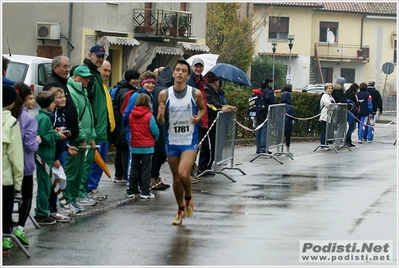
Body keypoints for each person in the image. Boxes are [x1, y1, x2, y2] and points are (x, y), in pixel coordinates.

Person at [157, 59, 206, 225]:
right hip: (172, 141)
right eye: (177, 70)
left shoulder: (194, 93)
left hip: (189, 141)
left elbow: (202, 108)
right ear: (173, 73)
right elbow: (161, 122)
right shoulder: (164, 94)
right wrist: (161, 115)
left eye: (183, 71)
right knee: (176, 179)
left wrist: (197, 117)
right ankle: (180, 210)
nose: (179, 73)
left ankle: (189, 198)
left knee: (184, 174)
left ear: (187, 75)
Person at [10, 83, 41, 245]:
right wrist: (37, 141)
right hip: (25, 166)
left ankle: (7, 228)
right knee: (27, 196)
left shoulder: (8, 116)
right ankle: (20, 228)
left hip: (8, 167)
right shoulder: (29, 119)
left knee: (8, 198)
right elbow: (30, 145)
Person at [63, 66, 97, 211]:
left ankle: (74, 198)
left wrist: (92, 136)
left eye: (88, 77)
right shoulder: (71, 92)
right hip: (77, 140)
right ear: (75, 77)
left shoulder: (83, 92)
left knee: (79, 171)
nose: (87, 80)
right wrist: (82, 137)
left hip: (85, 139)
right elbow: (75, 118)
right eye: (84, 77)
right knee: (71, 171)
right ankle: (66, 200)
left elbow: (89, 113)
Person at [83, 45, 114, 201]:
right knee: (92, 164)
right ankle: (87, 190)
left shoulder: (100, 82)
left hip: (102, 130)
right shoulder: (90, 76)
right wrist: (92, 127)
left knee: (98, 164)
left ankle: (91, 189)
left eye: (102, 57)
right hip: (95, 130)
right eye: (98, 56)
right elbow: (88, 104)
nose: (100, 59)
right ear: (90, 55)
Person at [34, 90, 67, 224]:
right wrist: (56, 136)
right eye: (52, 102)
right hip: (43, 157)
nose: (54, 105)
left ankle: (43, 211)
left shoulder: (44, 117)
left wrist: (53, 131)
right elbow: (43, 137)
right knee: (44, 187)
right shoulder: (44, 118)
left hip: (46, 157)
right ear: (47, 104)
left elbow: (46, 133)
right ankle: (41, 213)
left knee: (48, 186)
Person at [122, 71, 157, 195]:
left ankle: (137, 186)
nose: (150, 86)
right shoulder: (137, 96)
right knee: (134, 161)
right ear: (142, 83)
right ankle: (131, 186)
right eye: (148, 83)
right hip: (135, 134)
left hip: (143, 136)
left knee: (140, 163)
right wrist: (129, 129)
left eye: (153, 83)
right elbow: (126, 114)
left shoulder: (149, 96)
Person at [198, 71, 236, 176]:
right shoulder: (207, 90)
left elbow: (219, 103)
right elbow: (211, 102)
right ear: (216, 82)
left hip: (213, 122)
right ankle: (203, 168)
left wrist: (228, 106)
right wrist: (221, 107)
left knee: (211, 145)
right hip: (209, 122)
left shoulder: (212, 91)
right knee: (209, 146)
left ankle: (207, 167)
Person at [2, 84, 24, 253]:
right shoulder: (11, 122)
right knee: (5, 212)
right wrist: (18, 184)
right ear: (11, 103)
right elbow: (16, 157)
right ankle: (4, 241)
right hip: (5, 179)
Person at [111, 69, 140, 184]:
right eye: (134, 79)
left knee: (119, 149)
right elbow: (126, 111)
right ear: (128, 80)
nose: (136, 81)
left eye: (137, 79)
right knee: (124, 150)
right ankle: (124, 175)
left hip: (116, 123)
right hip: (124, 124)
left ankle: (118, 175)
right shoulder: (128, 92)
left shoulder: (118, 88)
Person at [127, 94, 159, 199]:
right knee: (146, 169)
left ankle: (132, 189)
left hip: (135, 145)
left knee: (134, 169)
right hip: (147, 146)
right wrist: (155, 138)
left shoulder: (131, 115)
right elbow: (155, 130)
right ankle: (145, 191)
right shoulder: (149, 116)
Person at [47, 87, 72, 222]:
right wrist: (55, 157)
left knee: (59, 182)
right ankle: (50, 210)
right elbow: (52, 138)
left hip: (63, 151)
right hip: (55, 155)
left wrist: (68, 147)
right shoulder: (52, 115)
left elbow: (63, 135)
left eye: (63, 96)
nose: (63, 99)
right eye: (59, 97)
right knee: (54, 182)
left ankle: (54, 208)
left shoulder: (62, 113)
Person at [44, 55, 79, 141]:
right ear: (55, 68)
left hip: (67, 134)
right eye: (64, 66)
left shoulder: (62, 82)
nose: (67, 70)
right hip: (60, 136)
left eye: (68, 66)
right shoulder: (52, 84)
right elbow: (51, 110)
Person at [151, 66, 173, 190]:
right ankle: (152, 178)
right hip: (162, 125)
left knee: (158, 153)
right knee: (159, 153)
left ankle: (155, 177)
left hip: (158, 124)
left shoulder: (157, 89)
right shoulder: (165, 91)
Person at [186, 58, 208, 183]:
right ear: (192, 67)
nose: (199, 69)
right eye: (196, 66)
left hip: (199, 117)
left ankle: (191, 171)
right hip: (192, 117)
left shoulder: (201, 81)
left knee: (195, 147)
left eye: (201, 66)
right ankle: (187, 173)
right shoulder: (191, 80)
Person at [256, 78, 277, 154]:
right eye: (271, 83)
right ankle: (263, 148)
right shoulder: (269, 92)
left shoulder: (260, 91)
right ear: (269, 83)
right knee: (264, 130)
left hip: (258, 112)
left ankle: (258, 148)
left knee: (258, 130)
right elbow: (273, 102)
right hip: (265, 113)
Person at [280, 84, 296, 157]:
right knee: (288, 138)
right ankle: (287, 150)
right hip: (288, 125)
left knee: (279, 137)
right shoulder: (290, 107)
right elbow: (293, 115)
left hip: (279, 125)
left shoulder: (278, 106)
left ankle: (278, 150)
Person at [319, 83, 336, 151]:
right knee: (324, 130)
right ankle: (323, 144)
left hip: (330, 116)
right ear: (326, 89)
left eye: (331, 88)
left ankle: (326, 143)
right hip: (325, 115)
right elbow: (328, 104)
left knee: (327, 130)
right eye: (329, 88)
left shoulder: (331, 96)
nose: (330, 90)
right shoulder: (325, 96)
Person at [344, 83, 360, 147]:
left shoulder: (349, 93)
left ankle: (348, 140)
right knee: (352, 126)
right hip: (351, 112)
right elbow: (353, 104)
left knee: (352, 126)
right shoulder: (351, 95)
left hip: (351, 112)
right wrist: (358, 103)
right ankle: (347, 139)